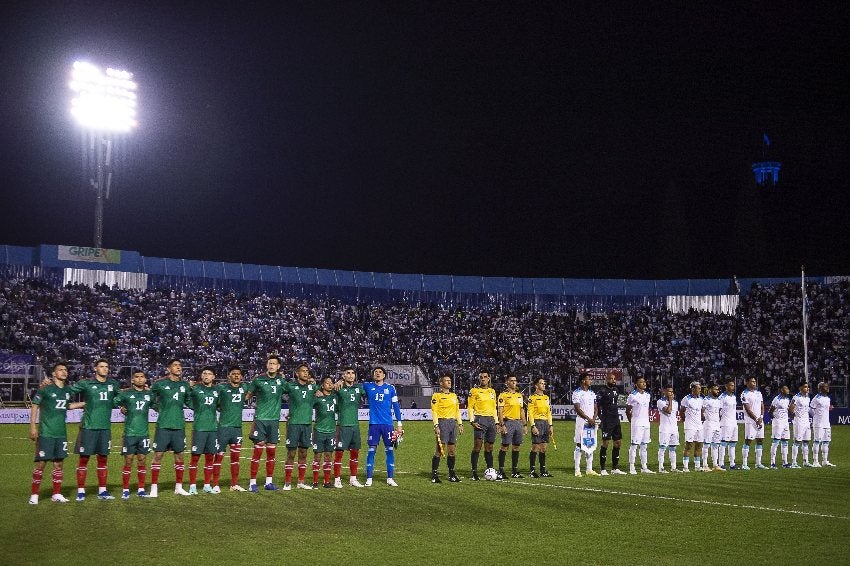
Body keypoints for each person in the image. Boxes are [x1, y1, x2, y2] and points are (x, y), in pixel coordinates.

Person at [28, 362, 83, 504]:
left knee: (59, 464)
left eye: (65, 370)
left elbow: (67, 406)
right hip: (46, 432)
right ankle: (34, 495)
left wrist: (83, 404)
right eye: (60, 370)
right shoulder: (45, 389)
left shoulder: (66, 391)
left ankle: (56, 494)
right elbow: (35, 405)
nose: (64, 372)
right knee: (41, 463)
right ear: (54, 374)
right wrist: (33, 427)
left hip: (61, 434)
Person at [68, 358, 122, 501]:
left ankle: (102, 491)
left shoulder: (113, 384)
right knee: (84, 459)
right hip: (88, 427)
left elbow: (122, 397)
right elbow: (67, 391)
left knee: (103, 459)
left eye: (106, 366)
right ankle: (81, 491)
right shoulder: (87, 383)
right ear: (95, 369)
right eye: (101, 366)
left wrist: (122, 405)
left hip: (105, 428)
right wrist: (52, 386)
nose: (105, 369)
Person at [149, 359, 192, 497]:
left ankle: (178, 487)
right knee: (158, 455)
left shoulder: (184, 385)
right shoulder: (160, 383)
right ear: (169, 369)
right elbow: (149, 398)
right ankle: (154, 488)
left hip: (179, 425)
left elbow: (189, 401)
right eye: (175, 365)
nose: (179, 367)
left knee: (180, 456)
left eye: (180, 365)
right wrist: (158, 408)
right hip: (163, 426)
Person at [245, 355, 286, 492]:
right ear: (267, 365)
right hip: (261, 419)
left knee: (271, 452)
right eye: (270, 363)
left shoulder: (281, 380)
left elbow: (295, 389)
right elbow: (247, 395)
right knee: (258, 451)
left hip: (274, 421)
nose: (272, 365)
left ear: (278, 366)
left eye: (274, 363)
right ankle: (252, 483)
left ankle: (269, 482)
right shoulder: (258, 379)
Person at [113, 371, 152, 499]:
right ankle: (125, 489)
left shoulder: (149, 394)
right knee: (128, 461)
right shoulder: (126, 393)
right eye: (137, 377)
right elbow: (114, 400)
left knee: (142, 460)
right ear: (132, 380)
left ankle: (141, 488)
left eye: (142, 377)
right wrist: (121, 407)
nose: (140, 379)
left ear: (145, 379)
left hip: (143, 433)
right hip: (130, 433)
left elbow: (157, 404)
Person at [362, 366, 403, 486]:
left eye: (380, 372)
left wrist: (399, 424)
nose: (378, 373)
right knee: (371, 451)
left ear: (384, 375)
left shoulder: (390, 388)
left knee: (389, 450)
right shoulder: (368, 386)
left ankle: (390, 478)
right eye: (375, 372)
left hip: (388, 424)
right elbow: (353, 385)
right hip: (374, 424)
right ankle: (369, 478)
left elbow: (396, 406)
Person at [282, 362, 318, 490]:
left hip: (307, 425)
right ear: (297, 373)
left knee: (303, 453)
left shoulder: (312, 387)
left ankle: (301, 481)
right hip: (294, 424)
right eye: (303, 371)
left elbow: (326, 389)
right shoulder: (291, 386)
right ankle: (287, 482)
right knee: (291, 453)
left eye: (307, 371)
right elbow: (277, 389)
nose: (306, 373)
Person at [187, 367, 221, 495]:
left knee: (209, 457)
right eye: (204, 373)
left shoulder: (217, 390)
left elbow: (220, 404)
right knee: (195, 458)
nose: (206, 375)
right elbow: (186, 398)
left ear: (213, 377)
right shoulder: (195, 388)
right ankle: (192, 486)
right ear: (201, 376)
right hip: (199, 428)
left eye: (209, 373)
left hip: (212, 429)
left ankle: (207, 485)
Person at [217, 365, 248, 491]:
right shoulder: (222, 388)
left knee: (236, 459)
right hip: (223, 428)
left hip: (237, 429)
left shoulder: (244, 388)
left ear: (241, 376)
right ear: (228, 376)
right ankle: (215, 485)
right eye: (233, 373)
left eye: (238, 374)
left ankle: (234, 484)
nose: (236, 375)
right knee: (218, 457)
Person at [334, 366, 365, 487]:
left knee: (355, 453)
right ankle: (337, 479)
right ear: (343, 376)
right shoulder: (339, 388)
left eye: (353, 373)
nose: (351, 375)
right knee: (339, 453)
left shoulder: (359, 388)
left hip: (355, 426)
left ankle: (353, 479)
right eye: (348, 373)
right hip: (342, 425)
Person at [430, 372, 463, 483]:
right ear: (441, 383)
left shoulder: (454, 396)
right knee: (439, 449)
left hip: (452, 423)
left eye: (450, 380)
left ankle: (452, 474)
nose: (449, 382)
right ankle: (434, 475)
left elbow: (457, 411)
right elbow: (434, 411)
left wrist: (460, 423)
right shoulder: (437, 396)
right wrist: (436, 425)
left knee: (452, 451)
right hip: (442, 422)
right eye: (446, 380)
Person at [468, 369, 498, 481]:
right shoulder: (474, 391)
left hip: (491, 420)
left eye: (485, 377)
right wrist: (472, 421)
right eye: (481, 377)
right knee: (477, 446)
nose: (483, 379)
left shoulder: (492, 392)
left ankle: (490, 469)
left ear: (489, 378)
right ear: (479, 378)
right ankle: (474, 472)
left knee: (489, 447)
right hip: (480, 419)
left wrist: (497, 422)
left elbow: (494, 408)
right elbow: (470, 407)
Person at [497, 373, 527, 479]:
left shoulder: (519, 395)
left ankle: (515, 471)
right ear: (507, 382)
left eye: (515, 380)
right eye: (511, 380)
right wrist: (502, 424)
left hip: (518, 423)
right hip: (508, 422)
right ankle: (501, 471)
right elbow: (500, 411)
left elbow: (522, 410)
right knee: (504, 446)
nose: (514, 382)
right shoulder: (503, 395)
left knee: (516, 447)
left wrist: (524, 424)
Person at [312, 376, 339, 488]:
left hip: (331, 430)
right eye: (327, 383)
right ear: (322, 385)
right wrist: (315, 389)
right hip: (319, 430)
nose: (329, 384)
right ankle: (315, 482)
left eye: (331, 383)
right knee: (317, 456)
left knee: (328, 456)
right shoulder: (317, 397)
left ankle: (327, 482)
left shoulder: (335, 397)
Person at [597, 371, 625, 475]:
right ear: (607, 380)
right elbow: (598, 406)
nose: (614, 380)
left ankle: (614, 468)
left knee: (618, 443)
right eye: (611, 379)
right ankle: (603, 468)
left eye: (614, 379)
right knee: (605, 443)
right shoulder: (602, 391)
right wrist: (601, 418)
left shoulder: (616, 390)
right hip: (607, 420)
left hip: (616, 420)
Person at [571, 372, 599, 477]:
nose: (590, 381)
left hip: (591, 422)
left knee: (590, 444)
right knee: (579, 444)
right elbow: (577, 409)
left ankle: (589, 469)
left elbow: (596, 408)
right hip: (582, 422)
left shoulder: (592, 393)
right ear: (583, 381)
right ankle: (577, 470)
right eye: (589, 379)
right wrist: (588, 419)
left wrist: (594, 419)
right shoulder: (576, 393)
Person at [527, 376, 554, 478]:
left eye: (544, 383)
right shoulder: (532, 398)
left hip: (545, 423)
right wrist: (533, 426)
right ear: (536, 385)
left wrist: (550, 425)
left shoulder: (546, 397)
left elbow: (549, 412)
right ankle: (532, 470)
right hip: (537, 423)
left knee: (543, 448)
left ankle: (543, 470)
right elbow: (530, 413)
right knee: (535, 447)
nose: (544, 385)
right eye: (541, 383)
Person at [626, 376, 654, 474]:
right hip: (637, 424)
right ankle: (632, 467)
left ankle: (644, 467)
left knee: (644, 446)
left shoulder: (647, 395)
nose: (644, 383)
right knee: (634, 445)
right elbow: (627, 410)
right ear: (636, 384)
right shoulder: (632, 395)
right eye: (641, 382)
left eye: (644, 382)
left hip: (646, 423)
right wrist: (632, 421)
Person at [740, 376, 767, 470]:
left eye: (755, 381)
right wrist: (756, 419)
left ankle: (758, 463)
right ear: (747, 383)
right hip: (750, 421)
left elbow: (762, 406)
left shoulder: (759, 393)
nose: (754, 383)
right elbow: (747, 409)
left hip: (760, 420)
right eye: (752, 381)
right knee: (748, 441)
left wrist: (761, 417)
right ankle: (744, 464)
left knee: (760, 440)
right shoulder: (744, 394)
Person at [680, 381, 705, 472]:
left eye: (700, 388)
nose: (699, 390)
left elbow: (702, 410)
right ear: (693, 389)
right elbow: (682, 411)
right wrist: (685, 421)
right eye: (698, 388)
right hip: (690, 426)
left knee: (699, 445)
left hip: (699, 426)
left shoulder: (701, 399)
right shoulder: (686, 399)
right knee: (689, 445)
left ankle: (697, 466)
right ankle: (685, 467)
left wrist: (702, 417)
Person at [810, 382, 835, 467]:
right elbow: (811, 410)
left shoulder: (828, 398)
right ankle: (815, 462)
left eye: (827, 386)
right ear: (820, 388)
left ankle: (825, 461)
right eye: (825, 386)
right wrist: (816, 417)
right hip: (818, 423)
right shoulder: (816, 398)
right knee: (817, 441)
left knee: (826, 442)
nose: (827, 388)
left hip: (826, 424)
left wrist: (829, 408)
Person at [656, 384, 680, 473]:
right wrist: (670, 400)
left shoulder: (676, 402)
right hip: (665, 428)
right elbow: (669, 411)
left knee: (673, 448)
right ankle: (661, 467)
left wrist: (671, 401)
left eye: (672, 391)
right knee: (663, 447)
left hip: (674, 428)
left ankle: (673, 467)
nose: (671, 393)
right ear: (664, 392)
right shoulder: (660, 402)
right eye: (669, 391)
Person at [768, 384, 792, 468]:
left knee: (785, 442)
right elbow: (770, 411)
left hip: (786, 422)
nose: (788, 390)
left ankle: (785, 462)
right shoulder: (776, 399)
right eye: (786, 388)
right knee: (776, 442)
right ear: (782, 390)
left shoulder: (788, 399)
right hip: (778, 423)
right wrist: (776, 420)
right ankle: (772, 463)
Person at [789, 382, 812, 468]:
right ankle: (794, 462)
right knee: (797, 442)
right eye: (805, 387)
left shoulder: (807, 397)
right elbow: (790, 409)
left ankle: (805, 461)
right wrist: (795, 418)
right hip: (799, 422)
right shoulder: (796, 397)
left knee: (806, 442)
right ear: (800, 388)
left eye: (808, 387)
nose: (807, 388)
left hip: (806, 422)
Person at [718, 377, 739, 470]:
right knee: (723, 443)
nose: (733, 387)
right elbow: (718, 410)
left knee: (733, 443)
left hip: (734, 423)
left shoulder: (734, 396)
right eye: (731, 385)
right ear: (726, 386)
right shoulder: (722, 397)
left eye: (733, 385)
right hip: (725, 423)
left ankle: (732, 463)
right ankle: (721, 463)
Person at [702, 382, 723, 471]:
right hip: (709, 424)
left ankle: (715, 465)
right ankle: (705, 465)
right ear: (710, 390)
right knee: (706, 445)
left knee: (715, 445)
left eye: (718, 389)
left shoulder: (719, 400)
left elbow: (720, 412)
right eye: (715, 389)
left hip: (717, 424)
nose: (717, 391)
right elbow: (702, 411)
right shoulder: (706, 400)